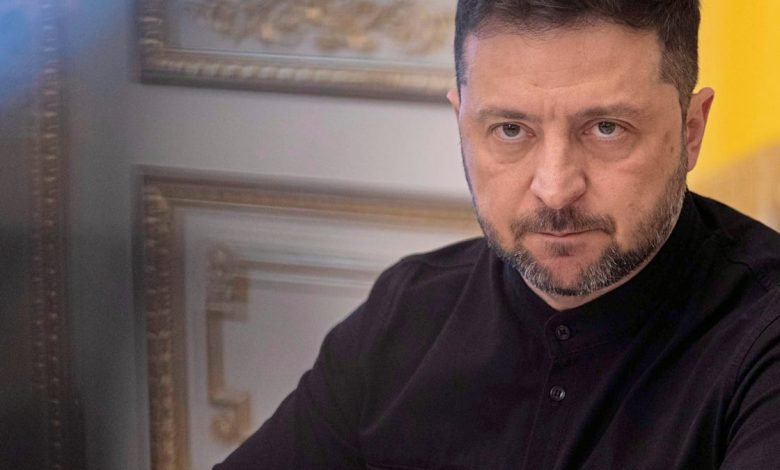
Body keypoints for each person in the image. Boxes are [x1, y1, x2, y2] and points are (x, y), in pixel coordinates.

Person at [215, 1, 780, 468]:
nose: (555, 189)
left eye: (607, 128)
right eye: (511, 129)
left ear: (691, 129)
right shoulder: (407, 308)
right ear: (461, 124)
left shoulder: (765, 338)